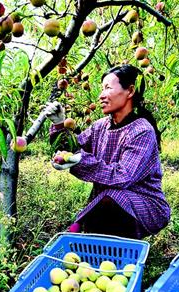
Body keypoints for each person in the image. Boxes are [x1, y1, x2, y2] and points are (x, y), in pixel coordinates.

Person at [44, 64, 170, 238]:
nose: (101, 95)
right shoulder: (100, 126)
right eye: (102, 89)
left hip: (143, 204)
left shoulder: (142, 131)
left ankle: (119, 252)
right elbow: (71, 148)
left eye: (108, 88)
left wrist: (81, 160)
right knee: (88, 225)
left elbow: (123, 176)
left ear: (130, 91)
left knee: (109, 203)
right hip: (107, 201)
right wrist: (59, 125)